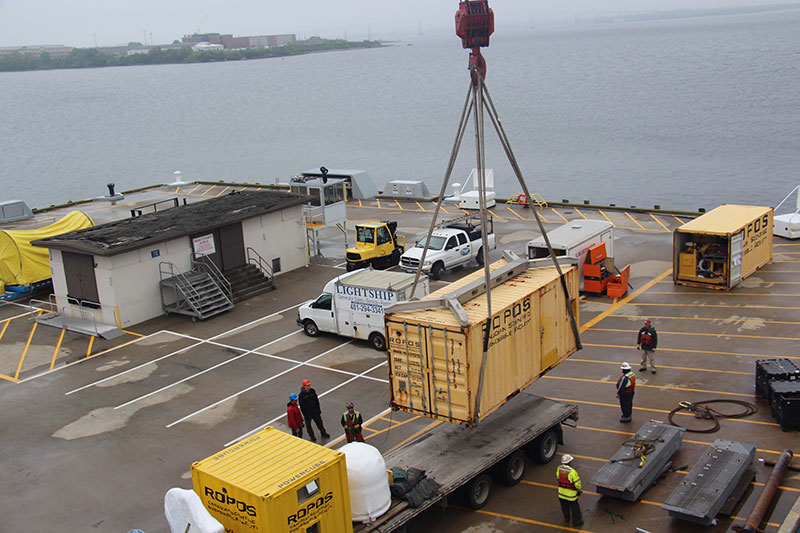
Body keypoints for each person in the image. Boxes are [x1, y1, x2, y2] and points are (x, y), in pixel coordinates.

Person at [556, 454, 583, 527]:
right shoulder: (572, 472)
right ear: (569, 462)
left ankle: (567, 518)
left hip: (561, 494)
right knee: (575, 509)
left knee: (564, 507)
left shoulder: (559, 468)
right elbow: (577, 484)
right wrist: (579, 490)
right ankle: (577, 521)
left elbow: (558, 477)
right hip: (571, 495)